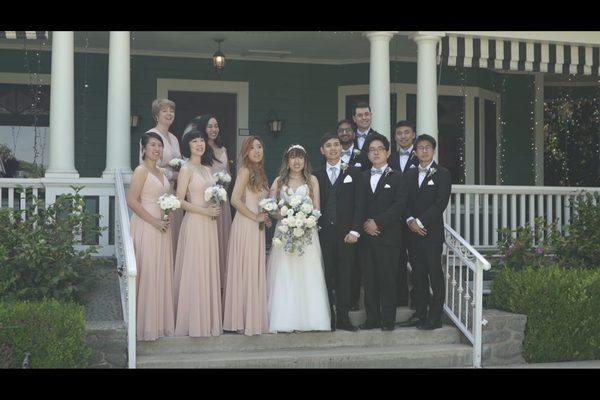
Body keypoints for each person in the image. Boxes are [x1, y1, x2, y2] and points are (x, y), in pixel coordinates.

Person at [266, 144, 331, 332]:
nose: (296, 161)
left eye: (300, 157)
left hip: (307, 234)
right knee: (285, 273)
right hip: (285, 232)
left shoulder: (312, 181)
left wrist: (305, 219)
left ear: (305, 161)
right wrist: (286, 216)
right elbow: (272, 208)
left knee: (307, 274)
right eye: (293, 158)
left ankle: (311, 319)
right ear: (287, 161)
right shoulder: (279, 181)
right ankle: (285, 319)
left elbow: (317, 208)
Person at [397, 134, 451, 331]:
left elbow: (440, 203)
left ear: (433, 150)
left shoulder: (442, 173)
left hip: (431, 233)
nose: (424, 150)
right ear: (415, 151)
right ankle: (420, 314)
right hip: (412, 233)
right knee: (418, 276)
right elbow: (403, 201)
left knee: (434, 274)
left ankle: (435, 317)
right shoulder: (409, 174)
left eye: (428, 147)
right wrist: (410, 220)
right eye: (420, 147)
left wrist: (420, 221)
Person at [173, 129, 223, 337]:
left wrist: (216, 204)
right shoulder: (186, 169)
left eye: (202, 140)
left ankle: (208, 321)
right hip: (194, 222)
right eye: (195, 141)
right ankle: (192, 321)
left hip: (210, 225)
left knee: (207, 268)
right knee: (195, 269)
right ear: (188, 145)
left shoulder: (207, 169)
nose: (200, 144)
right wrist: (204, 210)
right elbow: (178, 200)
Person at [126, 132, 175, 341]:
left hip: (163, 227)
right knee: (148, 272)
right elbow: (132, 201)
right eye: (152, 145)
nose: (157, 149)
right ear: (144, 149)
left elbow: (166, 198)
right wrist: (154, 221)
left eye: (160, 145)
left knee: (160, 273)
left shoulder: (163, 173)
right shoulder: (141, 170)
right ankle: (145, 326)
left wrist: (166, 214)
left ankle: (159, 323)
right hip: (146, 226)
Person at [359, 133, 408, 332]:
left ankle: (388, 320)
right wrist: (365, 225)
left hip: (388, 236)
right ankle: (372, 319)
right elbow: (357, 205)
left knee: (388, 279)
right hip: (366, 237)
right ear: (368, 154)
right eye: (372, 150)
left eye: (380, 149)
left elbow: (399, 206)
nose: (376, 152)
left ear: (388, 152)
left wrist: (377, 223)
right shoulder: (361, 177)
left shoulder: (398, 176)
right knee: (369, 280)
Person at [223, 135, 271, 336]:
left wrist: (266, 217)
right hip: (244, 225)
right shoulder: (243, 171)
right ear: (246, 152)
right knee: (245, 269)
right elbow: (234, 200)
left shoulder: (260, 173)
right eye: (252, 148)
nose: (257, 151)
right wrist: (255, 216)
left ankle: (253, 318)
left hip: (257, 228)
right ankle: (239, 319)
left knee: (254, 269)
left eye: (259, 147)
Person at [316, 133, 364, 331]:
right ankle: (328, 317)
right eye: (328, 145)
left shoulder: (354, 172)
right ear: (322, 150)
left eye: (336, 145)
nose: (333, 148)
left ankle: (344, 317)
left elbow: (360, 204)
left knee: (345, 276)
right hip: (323, 233)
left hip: (347, 234)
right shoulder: (315, 175)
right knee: (326, 275)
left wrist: (355, 230)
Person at [197, 114, 233, 294]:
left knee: (222, 239)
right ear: (204, 128)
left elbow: (228, 173)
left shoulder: (224, 149)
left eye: (216, 125)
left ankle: (222, 282)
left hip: (222, 201)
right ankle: (208, 281)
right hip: (206, 202)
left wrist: (224, 182)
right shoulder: (201, 149)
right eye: (210, 126)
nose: (213, 129)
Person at [142, 99, 183, 252]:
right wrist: (173, 175)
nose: (169, 113)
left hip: (173, 191)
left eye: (171, 111)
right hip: (156, 190)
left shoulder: (174, 138)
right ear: (156, 115)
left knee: (173, 230)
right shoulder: (150, 135)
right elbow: (145, 165)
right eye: (164, 110)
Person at [388, 120, 420, 308]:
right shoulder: (390, 159)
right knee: (397, 260)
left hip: (413, 218)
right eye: (399, 133)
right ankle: (400, 299)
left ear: (413, 135)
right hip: (394, 220)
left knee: (416, 261)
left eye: (407, 132)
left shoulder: (421, 157)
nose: (403, 136)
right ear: (395, 137)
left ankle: (417, 301)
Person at [351, 102, 379, 171]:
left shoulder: (379, 138)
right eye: (360, 115)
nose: (364, 118)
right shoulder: (348, 137)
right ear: (354, 118)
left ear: (371, 115)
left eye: (366, 114)